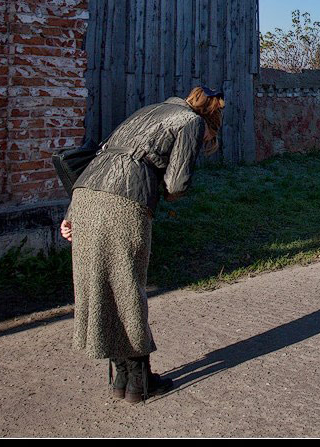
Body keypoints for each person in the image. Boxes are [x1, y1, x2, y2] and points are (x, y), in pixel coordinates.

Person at [59, 86, 224, 404]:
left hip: (84, 196)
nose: (204, 142)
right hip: (124, 201)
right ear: (210, 121)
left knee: (99, 287)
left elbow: (102, 158)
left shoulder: (149, 112)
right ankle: (139, 381)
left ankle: (123, 376)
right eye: (207, 141)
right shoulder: (190, 123)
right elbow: (177, 184)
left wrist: (70, 214)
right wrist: (168, 190)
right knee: (125, 286)